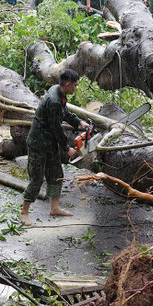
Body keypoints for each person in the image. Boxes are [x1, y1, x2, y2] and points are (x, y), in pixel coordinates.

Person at [21, 69, 90, 227]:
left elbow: (64, 112)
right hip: (38, 142)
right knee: (37, 178)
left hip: (50, 142)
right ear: (67, 84)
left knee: (56, 174)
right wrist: (67, 149)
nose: (76, 87)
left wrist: (79, 122)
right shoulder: (53, 101)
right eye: (75, 85)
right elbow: (56, 129)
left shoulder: (58, 92)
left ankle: (55, 207)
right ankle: (24, 213)